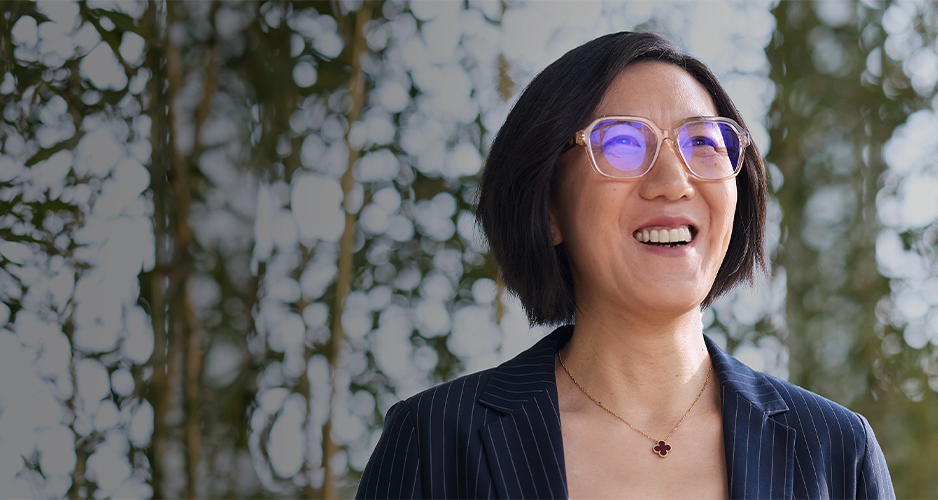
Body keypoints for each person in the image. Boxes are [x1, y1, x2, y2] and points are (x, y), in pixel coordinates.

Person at [355, 32, 894, 499]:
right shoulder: (436, 440)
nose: (673, 182)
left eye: (703, 143)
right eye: (621, 143)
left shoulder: (835, 448)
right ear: (549, 209)